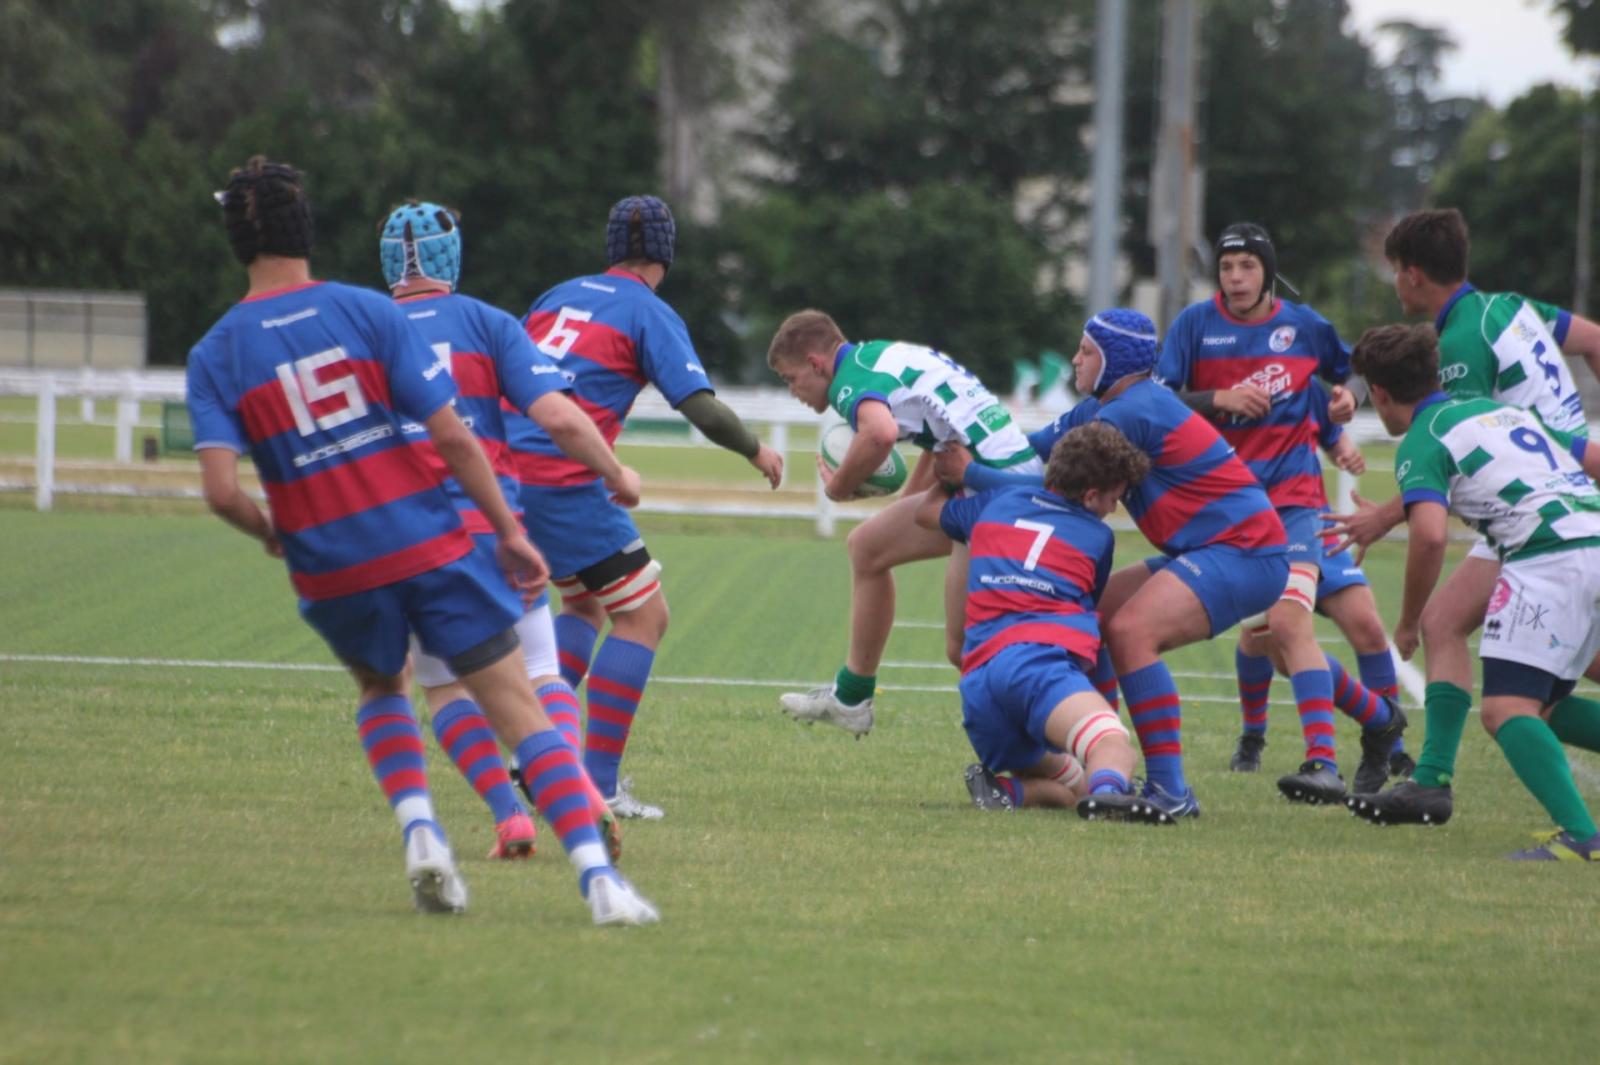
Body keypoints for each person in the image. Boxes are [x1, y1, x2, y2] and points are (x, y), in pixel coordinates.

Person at [186, 156, 656, 924]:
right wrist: (522, 523)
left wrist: (277, 532)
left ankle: (439, 826)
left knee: (402, 687)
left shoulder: (225, 348)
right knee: (531, 686)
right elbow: (479, 432)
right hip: (442, 532)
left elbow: (220, 488)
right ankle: (593, 865)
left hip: (336, 548)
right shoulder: (385, 316)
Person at [937, 309, 1289, 818]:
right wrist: (951, 437)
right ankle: (1102, 763)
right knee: (1091, 616)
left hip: (1247, 550)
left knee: (1130, 632)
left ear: (1114, 360)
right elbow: (1030, 455)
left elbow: (1057, 487)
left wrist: (968, 472)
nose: (1076, 359)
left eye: (1086, 351)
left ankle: (1170, 791)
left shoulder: (1129, 412)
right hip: (1208, 550)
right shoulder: (1101, 407)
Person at [377, 200, 640, 861]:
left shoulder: (364, 333)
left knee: (443, 685)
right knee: (544, 676)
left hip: (415, 540)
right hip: (497, 532)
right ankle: (581, 793)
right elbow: (561, 419)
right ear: (451, 256)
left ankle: (510, 818)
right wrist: (616, 471)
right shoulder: (489, 323)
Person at [507, 194, 783, 820]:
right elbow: (702, 408)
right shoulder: (646, 311)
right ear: (665, 254)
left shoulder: (555, 296)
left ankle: (533, 747)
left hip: (507, 471)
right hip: (563, 477)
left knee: (582, 601)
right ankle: (596, 783)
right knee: (644, 616)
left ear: (610, 250)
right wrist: (757, 449)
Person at [1329, 207, 1600, 824]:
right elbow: (1592, 342)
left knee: (1507, 703)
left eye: (1396, 270)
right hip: (1575, 508)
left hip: (1541, 540)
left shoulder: (1456, 353)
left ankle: (1581, 835)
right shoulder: (1507, 308)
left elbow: (1432, 514)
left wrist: (1401, 615)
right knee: (1526, 675)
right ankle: (1431, 781)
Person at [1157, 222, 1406, 803]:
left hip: (1298, 507)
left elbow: (1345, 377)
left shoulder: (1304, 326)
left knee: (1326, 625)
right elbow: (1160, 397)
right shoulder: (1194, 326)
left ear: (1267, 272)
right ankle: (1367, 721)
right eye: (1226, 268)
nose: (1235, 278)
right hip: (1228, 510)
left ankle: (1327, 760)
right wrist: (1215, 399)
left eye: (1246, 267)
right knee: (1262, 639)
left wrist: (1347, 402)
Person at [766, 310, 1043, 736]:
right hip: (1003, 475)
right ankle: (852, 697)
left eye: (791, 379)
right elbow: (942, 432)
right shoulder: (875, 356)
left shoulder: (847, 382)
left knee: (965, 646)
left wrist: (839, 487)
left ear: (815, 363)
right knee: (868, 546)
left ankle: (1052, 743)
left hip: (997, 496)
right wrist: (911, 501)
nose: (793, 391)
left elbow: (878, 434)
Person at [915, 421, 1174, 824]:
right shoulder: (1097, 537)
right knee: (1112, 745)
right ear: (1090, 496)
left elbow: (924, 513)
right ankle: (1110, 800)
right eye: (1114, 498)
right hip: (1037, 667)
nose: (1114, 508)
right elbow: (1090, 608)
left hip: (979, 685)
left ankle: (1011, 790)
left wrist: (947, 470)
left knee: (1075, 784)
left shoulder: (995, 503)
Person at [1230, 379, 1415, 792]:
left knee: (1366, 625)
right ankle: (1253, 735)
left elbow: (1331, 425)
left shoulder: (1300, 371)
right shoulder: (1213, 359)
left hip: (1310, 519)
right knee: (1271, 640)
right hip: (1254, 524)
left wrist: (1342, 446)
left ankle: (1392, 744)